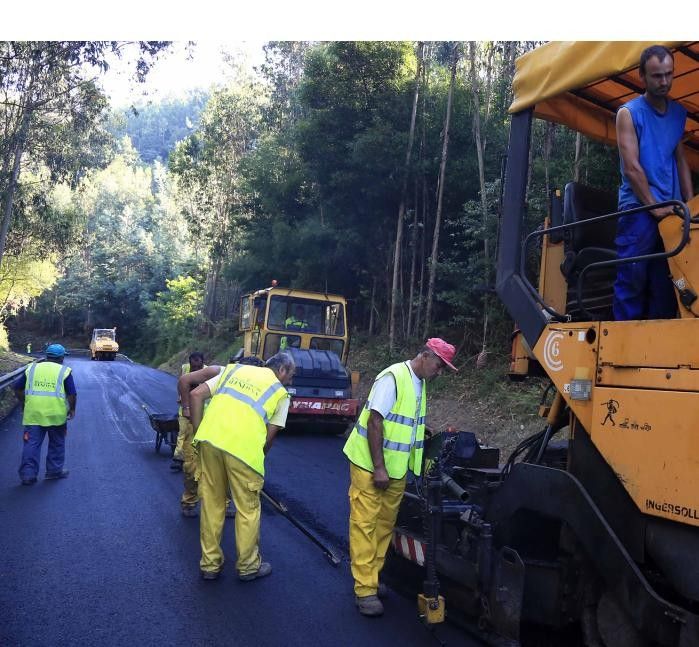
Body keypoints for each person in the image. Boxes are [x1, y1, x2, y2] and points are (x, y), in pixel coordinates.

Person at [342, 338, 457, 617]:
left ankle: (373, 576)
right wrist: (379, 467)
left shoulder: (420, 384)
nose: (439, 372)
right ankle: (364, 589)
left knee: (384, 526)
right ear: (426, 356)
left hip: (396, 471)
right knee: (365, 525)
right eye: (439, 366)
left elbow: (406, 425)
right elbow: (375, 421)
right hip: (371, 467)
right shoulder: (392, 378)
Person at [191, 352, 294, 581]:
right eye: (291, 375)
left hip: (209, 441)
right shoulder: (280, 393)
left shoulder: (232, 370)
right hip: (244, 452)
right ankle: (248, 566)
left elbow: (196, 394)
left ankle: (209, 565)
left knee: (212, 503)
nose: (291, 381)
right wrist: (257, 458)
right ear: (283, 370)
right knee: (248, 510)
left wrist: (199, 434)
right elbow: (269, 437)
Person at [613, 45, 694, 321]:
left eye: (669, 75)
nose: (664, 82)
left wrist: (690, 204)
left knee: (667, 282)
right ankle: (621, 350)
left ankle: (654, 353)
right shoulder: (629, 113)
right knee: (633, 278)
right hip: (638, 210)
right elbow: (632, 168)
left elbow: (680, 159)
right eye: (657, 76)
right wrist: (654, 207)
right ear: (642, 76)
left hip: (670, 211)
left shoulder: (678, 114)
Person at [14, 343, 76, 485]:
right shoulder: (64, 371)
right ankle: (54, 472)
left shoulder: (32, 368)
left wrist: (24, 403)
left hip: (33, 415)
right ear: (61, 358)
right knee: (57, 443)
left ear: (46, 356)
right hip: (56, 416)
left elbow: (17, 388)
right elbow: (72, 394)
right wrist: (72, 409)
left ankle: (28, 476)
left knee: (31, 445)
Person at [171, 352, 205, 474]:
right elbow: (181, 384)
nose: (195, 370)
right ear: (190, 363)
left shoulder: (207, 372)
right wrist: (181, 397)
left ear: (202, 364)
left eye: (198, 367)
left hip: (202, 410)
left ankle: (198, 459)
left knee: (198, 435)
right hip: (186, 408)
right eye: (193, 367)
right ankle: (178, 459)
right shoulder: (185, 368)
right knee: (183, 433)